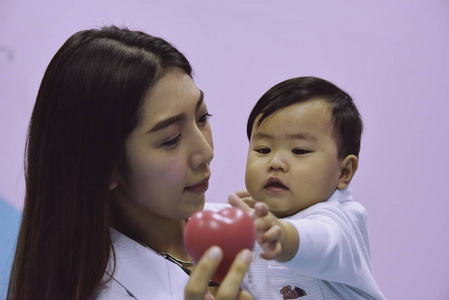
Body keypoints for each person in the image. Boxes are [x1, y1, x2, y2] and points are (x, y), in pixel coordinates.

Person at [7, 25, 253, 300]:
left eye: (202, 118)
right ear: (104, 167)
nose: (206, 152)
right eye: (171, 139)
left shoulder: (257, 228)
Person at [228, 76, 386, 299]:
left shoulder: (342, 220)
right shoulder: (253, 224)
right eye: (263, 150)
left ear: (344, 172)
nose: (275, 163)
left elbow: (323, 241)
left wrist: (283, 235)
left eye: (299, 151)